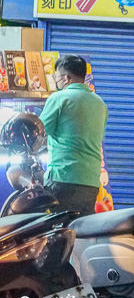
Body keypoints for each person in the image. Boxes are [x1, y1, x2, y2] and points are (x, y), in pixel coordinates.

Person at [38, 55, 108, 215]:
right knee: (81, 232)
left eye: (56, 78)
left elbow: (39, 133)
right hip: (91, 181)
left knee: (57, 232)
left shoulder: (59, 98)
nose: (56, 82)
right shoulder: (100, 104)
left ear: (66, 77)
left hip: (63, 178)